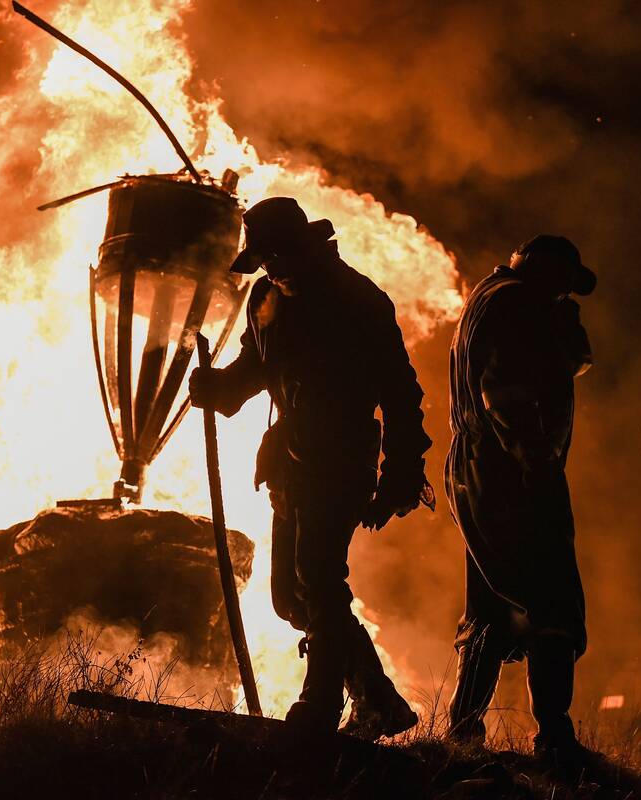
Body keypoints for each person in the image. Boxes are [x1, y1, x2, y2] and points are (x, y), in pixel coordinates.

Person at [188, 196, 433, 738]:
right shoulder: (266, 296)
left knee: (319, 579)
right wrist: (220, 387)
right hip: (288, 463)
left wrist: (400, 472)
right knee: (290, 598)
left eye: (276, 256)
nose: (271, 268)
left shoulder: (358, 301)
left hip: (342, 458)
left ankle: (318, 706)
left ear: (304, 246)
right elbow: (255, 363)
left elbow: (400, 391)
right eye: (264, 260)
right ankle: (376, 698)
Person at [444, 234, 595, 763]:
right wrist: (536, 461)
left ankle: (461, 730)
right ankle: (555, 738)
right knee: (552, 599)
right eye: (562, 289)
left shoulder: (491, 296)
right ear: (546, 274)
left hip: (480, 467)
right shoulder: (517, 303)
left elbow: (564, 362)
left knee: (492, 600)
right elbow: (503, 388)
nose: (563, 300)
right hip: (510, 470)